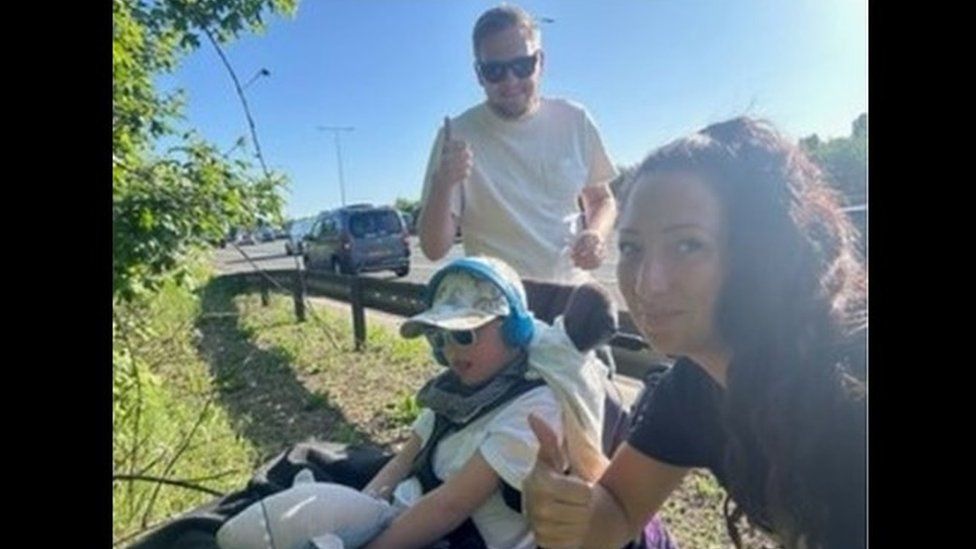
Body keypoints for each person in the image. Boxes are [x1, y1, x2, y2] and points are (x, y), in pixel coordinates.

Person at [524, 117, 867, 549]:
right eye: (631, 248)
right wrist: (568, 510)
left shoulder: (851, 378)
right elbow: (619, 511)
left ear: (757, 252)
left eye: (688, 245)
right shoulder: (692, 387)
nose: (649, 284)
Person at [219, 256, 610, 549]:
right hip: (416, 520)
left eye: (466, 335)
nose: (451, 350)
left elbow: (452, 505)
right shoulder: (454, 392)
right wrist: (360, 510)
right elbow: (401, 462)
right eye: (440, 337)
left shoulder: (533, 408)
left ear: (512, 328)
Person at [417, 4, 618, 283]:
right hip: (497, 304)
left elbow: (601, 199)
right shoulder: (456, 136)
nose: (510, 80)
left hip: (570, 292)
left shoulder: (575, 120)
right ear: (479, 74)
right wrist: (443, 184)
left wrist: (595, 233)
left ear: (540, 62)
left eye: (522, 66)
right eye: (495, 70)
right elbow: (433, 249)